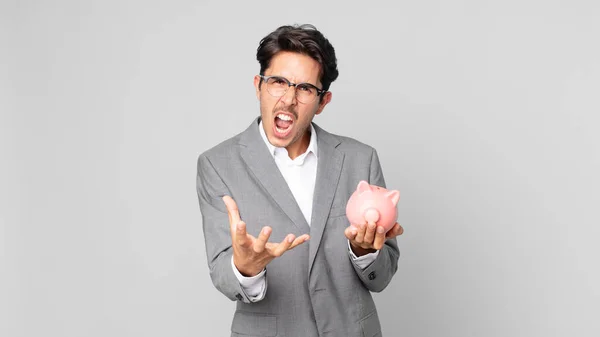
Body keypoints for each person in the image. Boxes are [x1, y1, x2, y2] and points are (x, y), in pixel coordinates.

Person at [196, 23, 404, 337]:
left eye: (305, 88)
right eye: (278, 82)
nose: (289, 100)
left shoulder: (360, 159)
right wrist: (247, 267)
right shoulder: (217, 164)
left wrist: (364, 251)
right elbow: (222, 273)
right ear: (258, 86)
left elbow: (384, 274)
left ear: (323, 101)